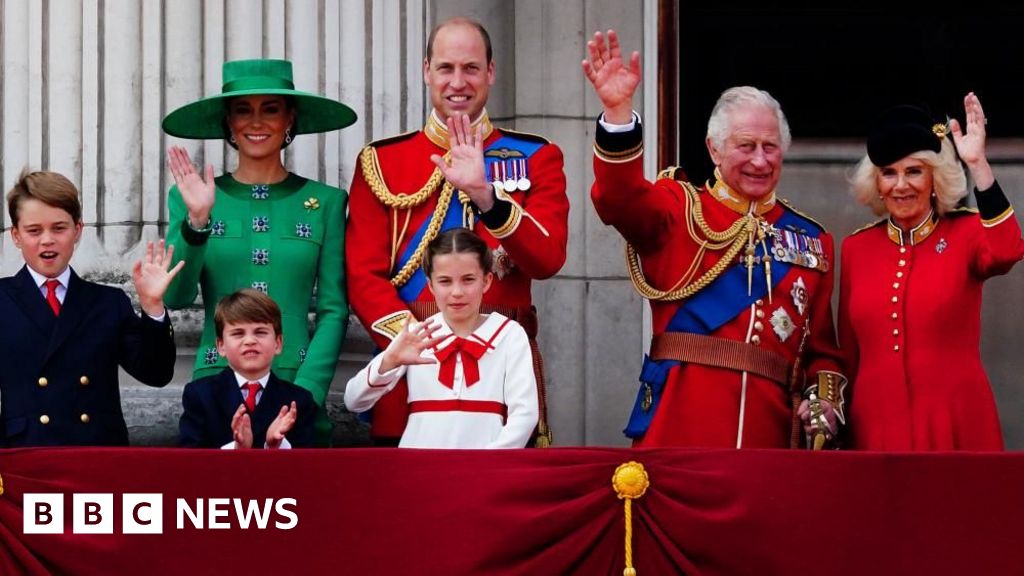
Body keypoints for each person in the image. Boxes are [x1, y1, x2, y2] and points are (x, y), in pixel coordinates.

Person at [583, 30, 846, 448]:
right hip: (680, 430)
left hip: (769, 440)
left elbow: (824, 353)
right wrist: (618, 114)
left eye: (770, 147)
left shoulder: (811, 240)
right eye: (746, 146)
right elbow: (618, 199)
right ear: (713, 149)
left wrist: (824, 403)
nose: (760, 160)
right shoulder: (678, 209)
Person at [346, 17, 568, 446]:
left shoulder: (537, 156)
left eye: (470, 68)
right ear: (427, 70)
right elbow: (362, 277)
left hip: (504, 372)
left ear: (491, 72)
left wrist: (489, 198)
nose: (457, 82)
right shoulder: (383, 162)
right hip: (414, 373)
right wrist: (417, 347)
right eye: (446, 68)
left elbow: (548, 258)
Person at [161, 58, 355, 446]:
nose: (256, 122)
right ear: (228, 123)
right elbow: (176, 296)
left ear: (290, 119)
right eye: (242, 110)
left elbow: (335, 310)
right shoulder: (193, 197)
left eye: (271, 109)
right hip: (216, 390)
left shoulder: (327, 201)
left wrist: (307, 393)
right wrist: (197, 220)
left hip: (297, 386)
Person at [839, 93, 1024, 451]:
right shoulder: (857, 249)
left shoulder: (966, 233)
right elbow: (849, 353)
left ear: (934, 178)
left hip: (955, 421)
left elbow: (1008, 250)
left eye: (914, 171)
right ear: (875, 183)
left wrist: (978, 164)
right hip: (875, 428)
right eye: (888, 174)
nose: (901, 185)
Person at [0, 170, 181, 447]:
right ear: (16, 236)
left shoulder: (108, 302)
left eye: (59, 228)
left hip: (95, 454)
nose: (47, 240)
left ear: (78, 231)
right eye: (34, 230)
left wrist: (152, 306)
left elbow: (156, 374)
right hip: (25, 455)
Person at [345, 228, 538, 448]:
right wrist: (389, 360)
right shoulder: (418, 334)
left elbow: (525, 415)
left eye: (468, 280)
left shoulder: (510, 334)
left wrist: (489, 464)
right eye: (445, 281)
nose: (457, 292)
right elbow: (354, 401)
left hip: (485, 469)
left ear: (486, 281)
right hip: (419, 469)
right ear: (431, 285)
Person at [179, 289, 316, 449]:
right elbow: (189, 461)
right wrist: (237, 448)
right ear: (221, 346)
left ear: (278, 343)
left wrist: (274, 446)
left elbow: (306, 466)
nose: (250, 340)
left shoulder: (298, 401)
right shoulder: (200, 395)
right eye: (238, 333)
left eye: (260, 332)